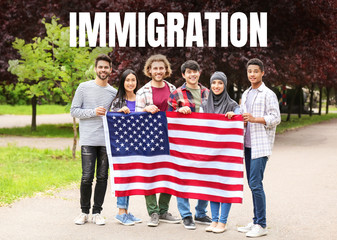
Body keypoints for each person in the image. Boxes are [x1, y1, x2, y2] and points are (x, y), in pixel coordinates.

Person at [71, 54, 117, 225]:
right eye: (100, 67)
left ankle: (97, 212)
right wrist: (93, 112)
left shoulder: (113, 92)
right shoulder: (83, 88)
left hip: (106, 141)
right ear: (95, 69)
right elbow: (74, 110)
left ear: (110, 70)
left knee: (103, 177)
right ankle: (84, 212)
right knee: (86, 177)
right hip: (89, 140)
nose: (103, 70)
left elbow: (115, 115)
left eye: (106, 67)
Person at [237, 58, 280, 237]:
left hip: (260, 146)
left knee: (255, 183)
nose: (252, 74)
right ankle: (255, 221)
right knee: (252, 183)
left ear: (263, 72)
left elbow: (276, 118)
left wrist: (255, 119)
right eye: (249, 71)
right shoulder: (246, 93)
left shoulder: (268, 94)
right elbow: (242, 115)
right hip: (246, 145)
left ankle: (261, 225)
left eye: (255, 71)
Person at [136, 54, 180, 227]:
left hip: (170, 138)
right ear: (149, 70)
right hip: (150, 138)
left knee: (168, 174)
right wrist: (145, 109)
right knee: (150, 175)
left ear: (166, 70)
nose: (158, 71)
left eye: (161, 68)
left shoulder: (172, 89)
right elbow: (135, 118)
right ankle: (153, 212)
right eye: (155, 68)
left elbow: (177, 111)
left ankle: (163, 210)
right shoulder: (143, 92)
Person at [167, 60, 211, 230]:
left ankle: (200, 212)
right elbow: (169, 118)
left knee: (205, 177)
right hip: (183, 144)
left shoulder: (208, 92)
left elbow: (218, 113)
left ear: (199, 73)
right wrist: (178, 111)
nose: (193, 74)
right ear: (184, 75)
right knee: (183, 178)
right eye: (189, 72)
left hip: (205, 142)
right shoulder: (176, 94)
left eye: (195, 71)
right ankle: (186, 215)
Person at [199, 71, 240, 233]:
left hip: (226, 154)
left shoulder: (232, 105)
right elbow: (200, 127)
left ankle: (223, 222)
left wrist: (233, 117)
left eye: (220, 83)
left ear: (225, 85)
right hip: (210, 153)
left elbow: (240, 119)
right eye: (214, 83)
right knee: (212, 187)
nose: (216, 86)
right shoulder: (204, 105)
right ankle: (214, 220)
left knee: (224, 186)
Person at [110, 69, 142, 226]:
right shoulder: (118, 101)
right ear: (123, 82)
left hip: (138, 145)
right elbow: (110, 118)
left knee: (130, 177)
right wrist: (119, 112)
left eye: (133, 80)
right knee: (123, 176)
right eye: (127, 80)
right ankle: (121, 211)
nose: (131, 83)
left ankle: (126, 211)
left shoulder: (141, 99)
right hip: (122, 145)